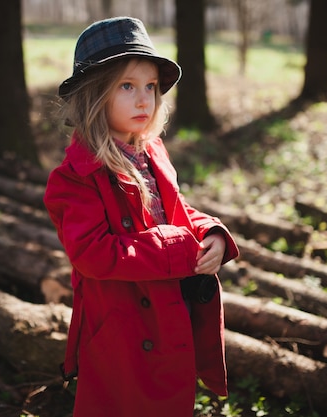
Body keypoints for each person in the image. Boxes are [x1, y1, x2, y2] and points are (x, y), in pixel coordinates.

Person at [43, 16, 239, 417]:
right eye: (127, 86)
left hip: (168, 318)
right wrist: (179, 248)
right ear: (95, 96)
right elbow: (93, 253)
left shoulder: (151, 152)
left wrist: (211, 234)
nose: (143, 100)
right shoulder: (74, 178)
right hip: (121, 330)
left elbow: (177, 211)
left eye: (150, 87)